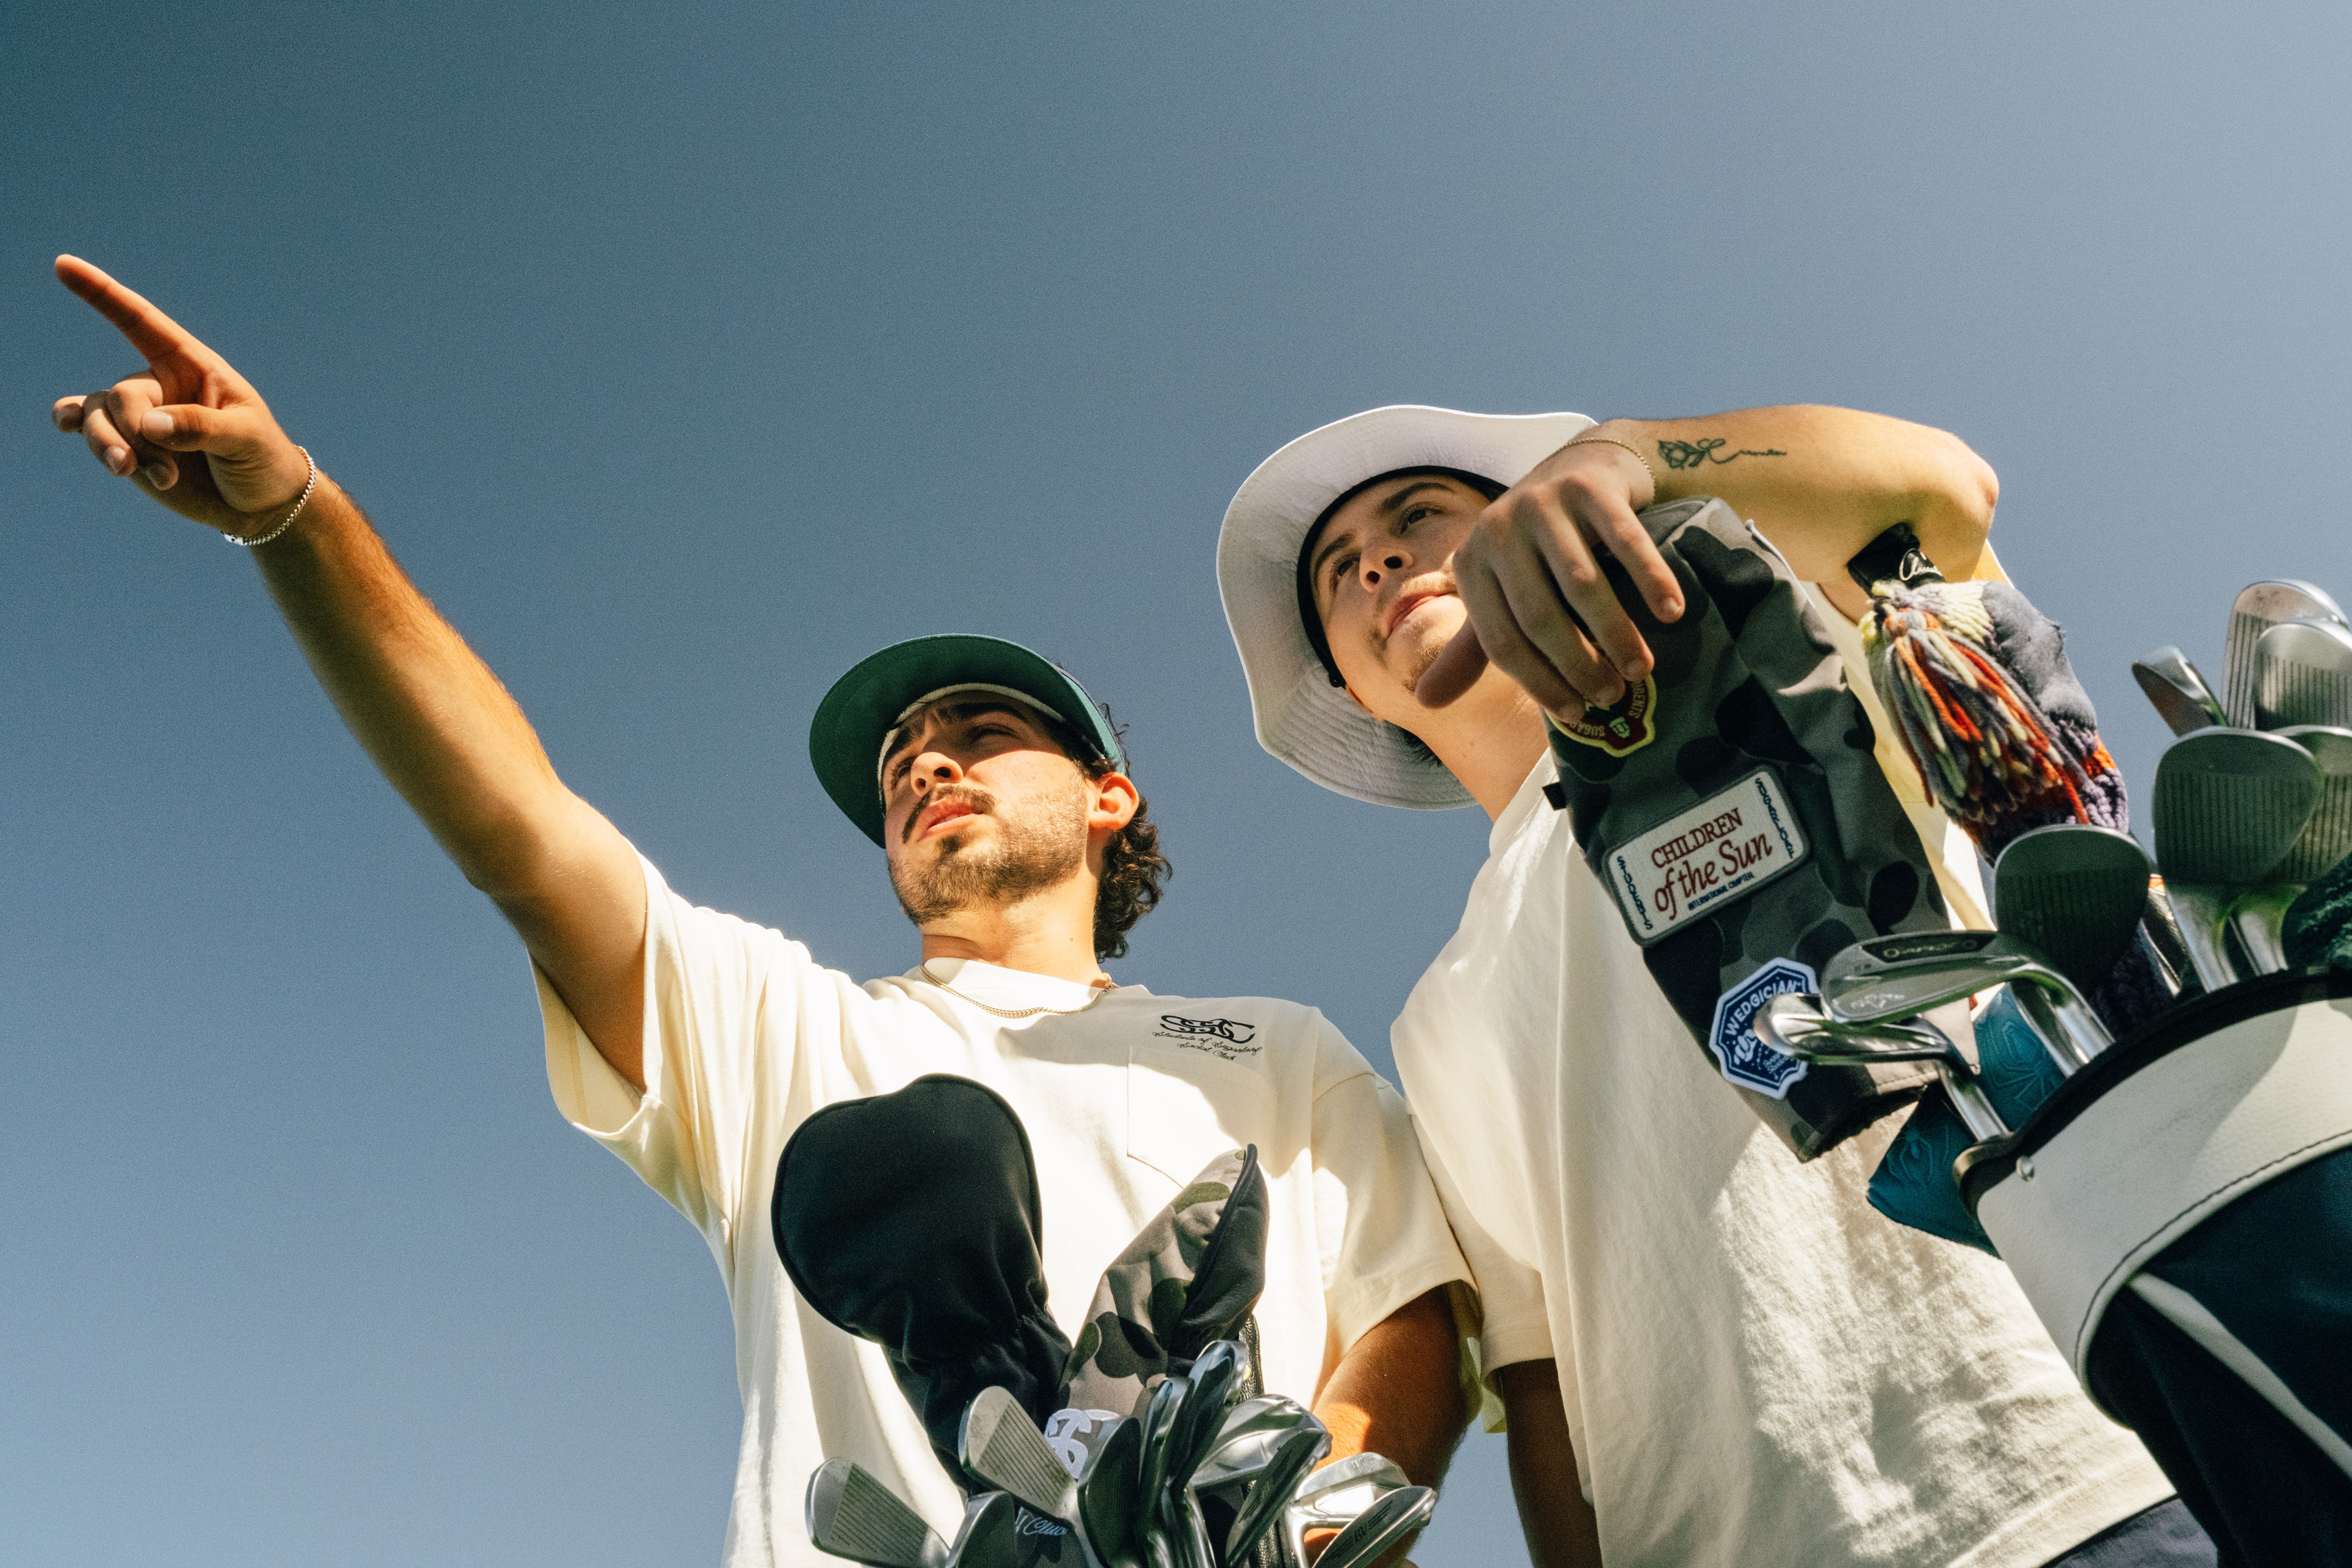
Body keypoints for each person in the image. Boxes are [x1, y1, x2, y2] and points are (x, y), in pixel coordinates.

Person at [47, 257, 1475, 1568]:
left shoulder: (1277, 1049)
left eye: (980, 728)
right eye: (901, 756)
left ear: (1108, 797)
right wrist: (301, 517)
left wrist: (1278, 1536)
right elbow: (523, 835)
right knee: (923, 1149)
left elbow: (1408, 1321)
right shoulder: (786, 1034)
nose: (926, 759)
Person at [1218, 405, 2212, 1568]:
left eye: (1419, 516)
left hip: (2088, 1471)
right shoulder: (1428, 1022)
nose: (1381, 561)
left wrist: (1628, 457)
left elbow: (1947, 494)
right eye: (1341, 570)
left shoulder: (1784, 669)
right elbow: (1545, 1384)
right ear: (1349, 685)